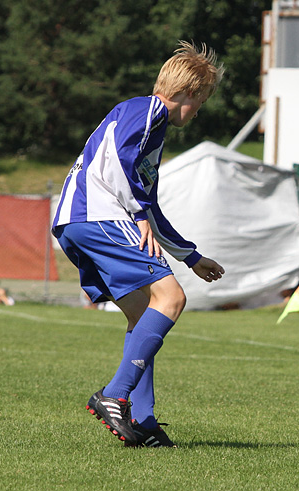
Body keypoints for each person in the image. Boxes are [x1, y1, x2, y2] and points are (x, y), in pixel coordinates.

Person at [52, 41, 225, 448]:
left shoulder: (154, 131)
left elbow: (150, 203)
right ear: (188, 92)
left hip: (77, 221)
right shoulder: (149, 109)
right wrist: (139, 213)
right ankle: (114, 394)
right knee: (171, 299)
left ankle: (143, 422)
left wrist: (192, 256)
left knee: (143, 314)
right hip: (98, 215)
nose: (198, 111)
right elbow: (122, 160)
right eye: (200, 100)